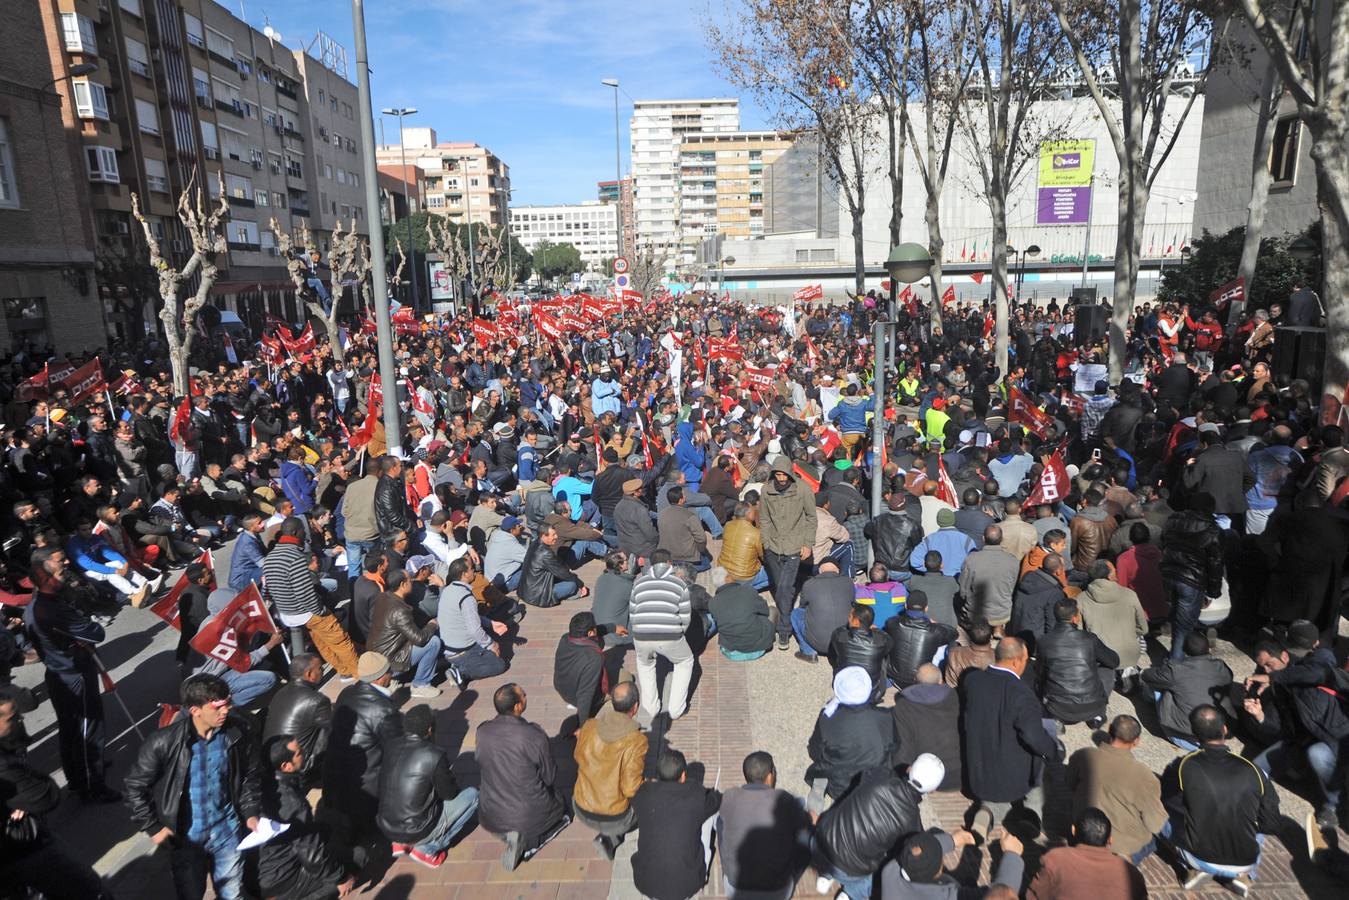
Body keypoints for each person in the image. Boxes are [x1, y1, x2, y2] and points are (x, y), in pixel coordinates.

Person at [124, 674, 263, 900]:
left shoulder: (238, 734)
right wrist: (153, 827)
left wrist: (250, 812)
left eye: (228, 703)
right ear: (195, 710)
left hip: (227, 831)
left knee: (232, 894)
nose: (226, 711)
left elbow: (250, 775)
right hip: (186, 839)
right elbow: (135, 788)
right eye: (218, 707)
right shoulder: (163, 742)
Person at [22, 547, 119, 803]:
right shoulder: (54, 609)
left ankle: (79, 777)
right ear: (45, 577)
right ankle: (93, 784)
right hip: (73, 674)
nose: (65, 567)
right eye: (59, 567)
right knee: (89, 728)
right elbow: (96, 633)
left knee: (70, 730)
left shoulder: (39, 605)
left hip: (59, 672)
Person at [1162, 705, 1281, 893]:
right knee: (1257, 823)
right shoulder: (1255, 771)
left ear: (1194, 732)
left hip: (1199, 854)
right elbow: (1272, 824)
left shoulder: (1182, 766)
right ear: (1225, 729)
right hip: (1245, 861)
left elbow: (1168, 802)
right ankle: (1245, 876)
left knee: (1162, 819)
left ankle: (1191, 868)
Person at [1245, 622, 1349, 834]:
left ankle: (1335, 804)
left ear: (1284, 656)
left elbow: (1318, 673)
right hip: (1304, 740)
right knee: (1253, 771)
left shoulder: (1318, 659)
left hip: (1339, 735)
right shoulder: (1275, 688)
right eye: (1262, 667)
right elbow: (1281, 730)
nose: (1265, 670)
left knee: (1318, 755)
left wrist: (1274, 678)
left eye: (1269, 665)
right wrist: (1261, 717)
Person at [812, 754, 946, 900]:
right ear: (933, 790)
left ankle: (825, 875)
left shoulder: (881, 775)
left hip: (819, 842)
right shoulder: (912, 823)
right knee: (888, 869)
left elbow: (864, 778)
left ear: (910, 768)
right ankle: (851, 894)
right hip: (850, 871)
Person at [961, 637, 1059, 831]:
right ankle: (1032, 813)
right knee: (1041, 758)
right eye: (1025, 660)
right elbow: (1033, 737)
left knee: (995, 797)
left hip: (978, 771)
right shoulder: (1022, 694)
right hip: (1012, 778)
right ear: (1016, 661)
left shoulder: (972, 681)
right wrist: (1053, 750)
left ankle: (987, 812)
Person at [476, 683, 570, 871]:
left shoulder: (482, 731)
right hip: (528, 816)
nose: (526, 696)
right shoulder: (534, 735)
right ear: (518, 706)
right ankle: (529, 846)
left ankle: (508, 834)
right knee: (564, 809)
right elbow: (549, 777)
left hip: (489, 814)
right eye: (524, 695)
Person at [376, 704, 480, 868]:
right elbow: (450, 794)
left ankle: (400, 842)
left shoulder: (391, 746)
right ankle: (428, 848)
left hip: (387, 825)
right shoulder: (434, 754)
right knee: (473, 796)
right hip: (418, 829)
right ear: (430, 729)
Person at [257, 735, 354, 900]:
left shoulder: (263, 787)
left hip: (265, 871)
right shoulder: (293, 802)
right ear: (286, 766)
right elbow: (311, 855)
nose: (305, 752)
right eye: (299, 753)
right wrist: (341, 877)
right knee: (358, 857)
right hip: (284, 880)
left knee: (326, 828)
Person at [320, 651, 403, 842]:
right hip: (369, 791)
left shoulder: (347, 693)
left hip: (339, 781)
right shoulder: (384, 709)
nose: (392, 674)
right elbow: (398, 750)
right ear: (382, 677)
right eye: (389, 671)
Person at [262, 517, 358, 679]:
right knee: (341, 641)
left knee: (322, 643)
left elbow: (267, 590)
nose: (304, 535)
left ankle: (344, 671)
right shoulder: (295, 557)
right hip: (307, 612)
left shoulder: (270, 557)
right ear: (294, 532)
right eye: (302, 531)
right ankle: (361, 675)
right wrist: (320, 610)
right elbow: (305, 592)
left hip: (288, 613)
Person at [1065, 716, 1168, 863]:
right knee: (1159, 837)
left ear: (1109, 730)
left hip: (1084, 833)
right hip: (1122, 846)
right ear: (1136, 742)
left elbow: (1070, 784)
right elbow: (1155, 824)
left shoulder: (1082, 756)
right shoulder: (1144, 776)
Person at [716, 751, 813, 900]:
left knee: (722, 823)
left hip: (734, 887)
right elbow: (805, 823)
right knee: (804, 834)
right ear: (769, 776)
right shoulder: (784, 800)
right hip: (777, 891)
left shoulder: (730, 796)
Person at [572, 681, 647, 859]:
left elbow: (577, 756)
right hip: (615, 818)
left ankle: (608, 837)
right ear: (635, 707)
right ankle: (611, 838)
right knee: (647, 799)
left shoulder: (589, 726)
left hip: (581, 806)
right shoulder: (636, 741)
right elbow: (631, 788)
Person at [806, 666, 897, 809]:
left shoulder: (828, 718)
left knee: (820, 769)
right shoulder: (885, 716)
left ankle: (816, 803)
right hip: (874, 785)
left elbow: (814, 751)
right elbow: (894, 747)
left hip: (840, 786)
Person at [186, 587, 283, 708]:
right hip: (210, 683)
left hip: (203, 680)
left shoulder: (210, 621)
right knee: (269, 679)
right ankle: (227, 705)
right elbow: (243, 662)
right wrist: (271, 644)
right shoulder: (220, 632)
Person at [1139, 631, 1233, 751]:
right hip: (1220, 731)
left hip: (1185, 736)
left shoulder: (1177, 671)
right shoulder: (1221, 666)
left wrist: (1144, 672)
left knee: (1159, 684)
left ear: (1184, 650)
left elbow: (1148, 676)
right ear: (1208, 648)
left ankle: (1147, 699)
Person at [759, 456, 817, 651]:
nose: (781, 478)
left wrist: (807, 543)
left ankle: (784, 628)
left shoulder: (802, 489)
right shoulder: (766, 491)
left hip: (794, 546)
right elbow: (764, 518)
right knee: (781, 587)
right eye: (778, 475)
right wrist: (766, 542)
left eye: (784, 474)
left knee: (784, 588)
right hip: (773, 547)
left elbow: (811, 517)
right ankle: (786, 613)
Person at [629, 550, 694, 722]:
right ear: (670, 563)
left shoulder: (639, 583)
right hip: (670, 635)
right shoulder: (680, 585)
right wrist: (678, 633)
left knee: (645, 664)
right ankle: (676, 709)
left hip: (641, 635)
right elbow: (685, 617)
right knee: (685, 661)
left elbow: (633, 613)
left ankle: (650, 708)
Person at [1027, 807, 1148, 899]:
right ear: (1110, 840)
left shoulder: (1054, 859)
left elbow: (1034, 895)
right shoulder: (1133, 875)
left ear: (1073, 830)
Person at [1036, 598, 1119, 728]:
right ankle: (1097, 716)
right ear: (1075, 618)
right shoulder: (1089, 639)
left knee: (1042, 673)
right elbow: (1114, 661)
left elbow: (1040, 673)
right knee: (1108, 667)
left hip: (1058, 706)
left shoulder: (1044, 641)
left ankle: (1053, 719)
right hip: (1093, 705)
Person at [1160, 492, 1224, 660]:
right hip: (1191, 580)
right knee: (1184, 626)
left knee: (1177, 620)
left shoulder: (1173, 520)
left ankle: (1176, 655)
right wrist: (1213, 591)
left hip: (1169, 574)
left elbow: (1163, 542)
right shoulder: (1212, 529)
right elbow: (1215, 563)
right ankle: (1175, 662)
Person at [882, 827, 1024, 899]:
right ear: (939, 871)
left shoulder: (889, 872)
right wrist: (1012, 855)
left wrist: (952, 840)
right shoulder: (948, 896)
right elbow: (1001, 895)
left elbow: (912, 852)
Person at [366, 569, 442, 698]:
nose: (411, 582)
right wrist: (432, 625)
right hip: (390, 661)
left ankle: (397, 677)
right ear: (403, 584)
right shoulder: (400, 610)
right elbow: (420, 639)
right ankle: (420, 684)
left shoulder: (383, 597)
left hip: (377, 655)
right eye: (409, 580)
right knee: (434, 642)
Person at [437, 556, 510, 687]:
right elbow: (474, 630)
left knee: (488, 641)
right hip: (461, 650)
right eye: (471, 569)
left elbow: (468, 617)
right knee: (499, 664)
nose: (474, 572)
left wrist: (491, 623)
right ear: (464, 574)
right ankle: (461, 672)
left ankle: (462, 664)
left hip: (449, 647)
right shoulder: (466, 597)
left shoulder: (448, 590)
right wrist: (491, 645)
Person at [1075, 559, 1148, 691]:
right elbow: (1143, 628)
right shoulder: (1129, 594)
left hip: (1099, 656)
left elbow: (1080, 632)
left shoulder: (1081, 598)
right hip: (1129, 653)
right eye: (1115, 571)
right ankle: (1128, 673)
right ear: (1109, 576)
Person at [892, 663, 962, 792]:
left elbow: (903, 748)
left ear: (915, 682)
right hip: (961, 774)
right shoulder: (956, 697)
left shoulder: (903, 706)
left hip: (926, 780)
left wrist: (902, 769)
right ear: (941, 681)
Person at [262, 653, 332, 776]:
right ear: (310, 674)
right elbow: (333, 729)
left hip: (274, 762)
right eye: (320, 668)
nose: (322, 670)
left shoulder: (279, 693)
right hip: (301, 766)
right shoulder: (317, 700)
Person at [883, 590, 957, 690]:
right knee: (951, 645)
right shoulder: (935, 630)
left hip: (894, 678)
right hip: (920, 680)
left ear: (905, 606)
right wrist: (936, 624)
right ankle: (941, 678)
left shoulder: (891, 622)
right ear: (926, 608)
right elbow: (954, 634)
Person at [791, 558, 855, 662]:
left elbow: (802, 607)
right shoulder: (849, 583)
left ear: (820, 571)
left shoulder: (809, 583)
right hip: (843, 643)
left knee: (795, 614)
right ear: (838, 570)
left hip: (817, 642)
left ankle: (808, 652)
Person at [957, 524, 1019, 629]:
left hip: (975, 613)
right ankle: (998, 629)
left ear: (983, 539)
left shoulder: (971, 559)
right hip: (1002, 613)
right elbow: (1012, 587)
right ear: (1002, 539)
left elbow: (963, 590)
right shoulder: (1013, 561)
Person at [707, 568, 775, 660]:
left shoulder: (712, 603)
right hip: (759, 648)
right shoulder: (747, 590)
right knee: (772, 610)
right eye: (730, 574)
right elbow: (765, 611)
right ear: (728, 578)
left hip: (732, 652)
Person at [554, 612, 608, 723]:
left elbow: (594, 632)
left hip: (562, 688)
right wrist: (583, 726)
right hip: (577, 698)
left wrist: (613, 628)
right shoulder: (594, 657)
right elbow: (585, 695)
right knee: (625, 678)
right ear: (590, 632)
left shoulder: (565, 638)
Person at [518, 524, 587, 607]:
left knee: (567, 576)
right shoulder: (545, 553)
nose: (556, 537)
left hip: (525, 591)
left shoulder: (534, 543)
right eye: (553, 535)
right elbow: (562, 573)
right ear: (543, 536)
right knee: (572, 585)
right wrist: (580, 584)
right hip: (538, 595)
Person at [909, 508, 975, 576]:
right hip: (959, 578)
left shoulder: (929, 539)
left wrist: (930, 569)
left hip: (937, 579)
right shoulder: (966, 539)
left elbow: (914, 561)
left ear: (938, 521)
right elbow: (975, 561)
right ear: (953, 520)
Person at [657, 485, 709, 570]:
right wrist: (699, 551)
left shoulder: (661, 514)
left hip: (667, 556)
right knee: (707, 562)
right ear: (681, 500)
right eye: (684, 495)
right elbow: (702, 538)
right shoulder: (690, 516)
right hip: (687, 557)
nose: (685, 496)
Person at [942, 618, 996, 688]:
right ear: (991, 637)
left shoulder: (954, 654)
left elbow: (951, 684)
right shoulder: (999, 656)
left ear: (969, 636)